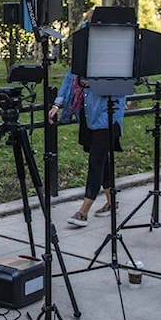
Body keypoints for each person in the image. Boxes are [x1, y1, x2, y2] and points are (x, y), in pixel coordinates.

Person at [48, 71, 124, 227]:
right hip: (88, 116)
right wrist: (57, 104)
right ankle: (111, 202)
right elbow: (69, 80)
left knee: (96, 162)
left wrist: (93, 83)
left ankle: (83, 212)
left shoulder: (111, 60)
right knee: (102, 161)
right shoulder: (81, 57)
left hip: (108, 116)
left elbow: (122, 83)